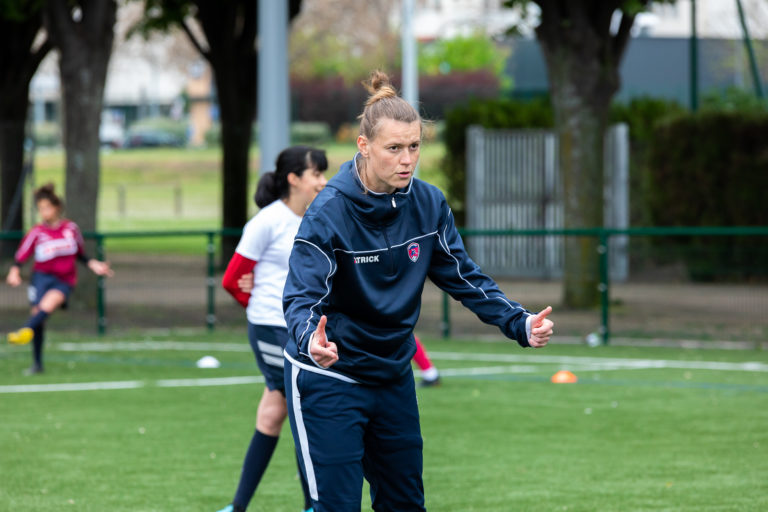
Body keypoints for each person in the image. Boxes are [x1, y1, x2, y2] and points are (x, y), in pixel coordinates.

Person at [281, 71, 554, 512]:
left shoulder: (428, 204)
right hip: (329, 377)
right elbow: (300, 297)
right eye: (394, 148)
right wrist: (311, 338)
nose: (407, 159)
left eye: (414, 147)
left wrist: (518, 321)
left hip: (392, 374)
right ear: (364, 146)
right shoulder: (328, 212)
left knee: (405, 504)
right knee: (336, 507)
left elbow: (463, 276)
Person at [217, 146, 328, 512]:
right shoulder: (267, 221)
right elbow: (233, 279)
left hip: (297, 330)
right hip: (270, 329)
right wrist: (260, 309)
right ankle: (313, 504)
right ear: (294, 179)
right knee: (304, 409)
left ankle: (238, 506)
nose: (322, 181)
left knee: (274, 413)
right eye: (316, 173)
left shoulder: (316, 218)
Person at [6, 183, 114, 374]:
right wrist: (15, 271)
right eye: (40, 209)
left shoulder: (71, 229)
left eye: (47, 207)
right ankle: (37, 364)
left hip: (64, 280)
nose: (44, 212)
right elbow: (22, 254)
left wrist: (94, 264)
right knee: (39, 317)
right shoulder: (37, 232)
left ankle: (24, 331)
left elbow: (80, 254)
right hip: (41, 278)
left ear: (57, 207)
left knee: (45, 308)